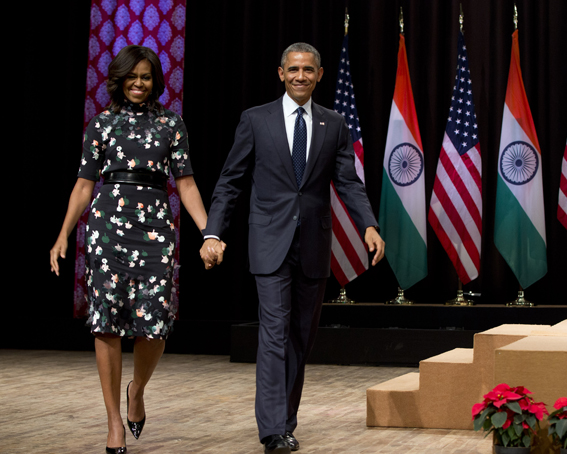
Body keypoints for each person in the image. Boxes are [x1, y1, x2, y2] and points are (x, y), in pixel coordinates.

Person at [200, 42, 385, 454]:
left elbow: (348, 183)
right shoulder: (256, 119)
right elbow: (230, 182)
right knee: (274, 332)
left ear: (319, 75)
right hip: (269, 242)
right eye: (293, 69)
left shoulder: (333, 124)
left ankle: (285, 422)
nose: (300, 76)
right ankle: (272, 429)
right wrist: (213, 233)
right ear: (280, 73)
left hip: (315, 245)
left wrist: (368, 225)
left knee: (301, 336)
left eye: (308, 70)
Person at [50, 45, 215, 454]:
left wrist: (209, 232)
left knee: (154, 324)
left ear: (155, 81)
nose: (139, 84)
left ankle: (137, 390)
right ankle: (113, 424)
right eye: (132, 77)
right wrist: (63, 234)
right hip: (107, 229)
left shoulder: (171, 124)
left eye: (145, 77)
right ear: (120, 80)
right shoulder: (102, 124)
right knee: (106, 322)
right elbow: (84, 185)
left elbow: (187, 183)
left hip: (156, 228)